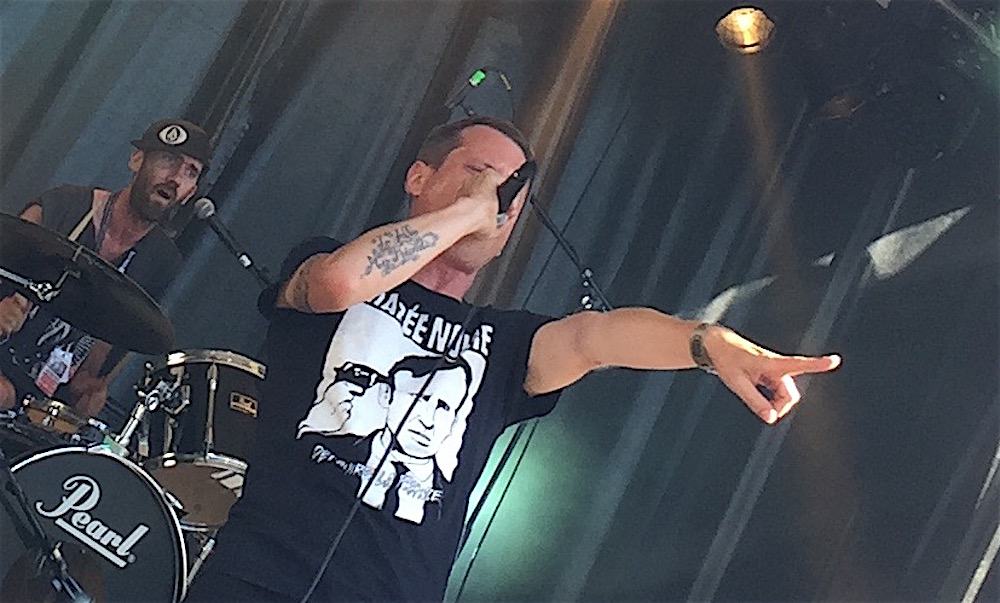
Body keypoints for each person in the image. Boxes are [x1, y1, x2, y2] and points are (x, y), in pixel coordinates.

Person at [187, 115, 841, 602]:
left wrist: (707, 343)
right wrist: (469, 209)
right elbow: (336, 285)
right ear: (419, 177)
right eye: (479, 172)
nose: (496, 200)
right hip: (256, 578)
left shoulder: (503, 343)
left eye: (510, 196)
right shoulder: (329, 259)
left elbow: (598, 338)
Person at [0, 118, 211, 418]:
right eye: (168, 160)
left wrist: (88, 388)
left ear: (190, 193)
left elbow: (103, 345)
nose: (176, 178)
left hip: (38, 398)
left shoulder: (160, 261)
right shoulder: (63, 206)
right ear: (136, 160)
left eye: (190, 172)